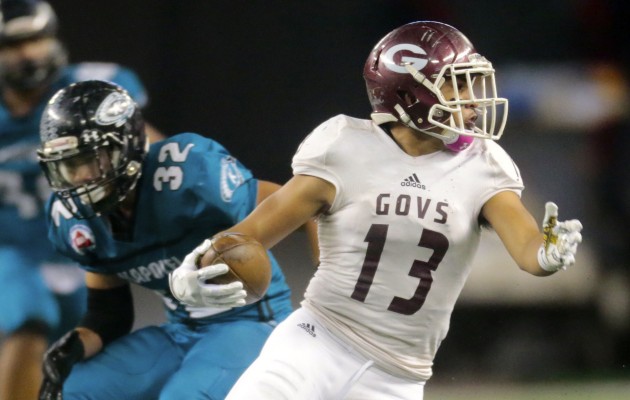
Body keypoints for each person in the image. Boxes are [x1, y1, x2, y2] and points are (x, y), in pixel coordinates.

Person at [169, 21, 584, 400]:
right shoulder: (345, 148)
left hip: (397, 377)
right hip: (317, 342)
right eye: (457, 86)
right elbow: (250, 235)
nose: (473, 101)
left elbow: (529, 248)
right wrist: (191, 273)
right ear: (410, 94)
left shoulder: (482, 165)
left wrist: (548, 252)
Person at [36, 80, 316, 399]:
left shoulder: (187, 173)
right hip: (181, 331)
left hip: (252, 321)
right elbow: (109, 314)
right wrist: (71, 348)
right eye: (69, 166)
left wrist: (326, 286)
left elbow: (297, 201)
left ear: (125, 145)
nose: (80, 177)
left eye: (90, 159)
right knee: (74, 389)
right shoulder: (74, 223)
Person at [0, 1, 162, 398]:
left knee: (75, 365)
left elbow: (151, 150)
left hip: (81, 253)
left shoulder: (88, 91)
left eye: (37, 39)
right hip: (12, 253)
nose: (28, 53)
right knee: (29, 315)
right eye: (13, 43)